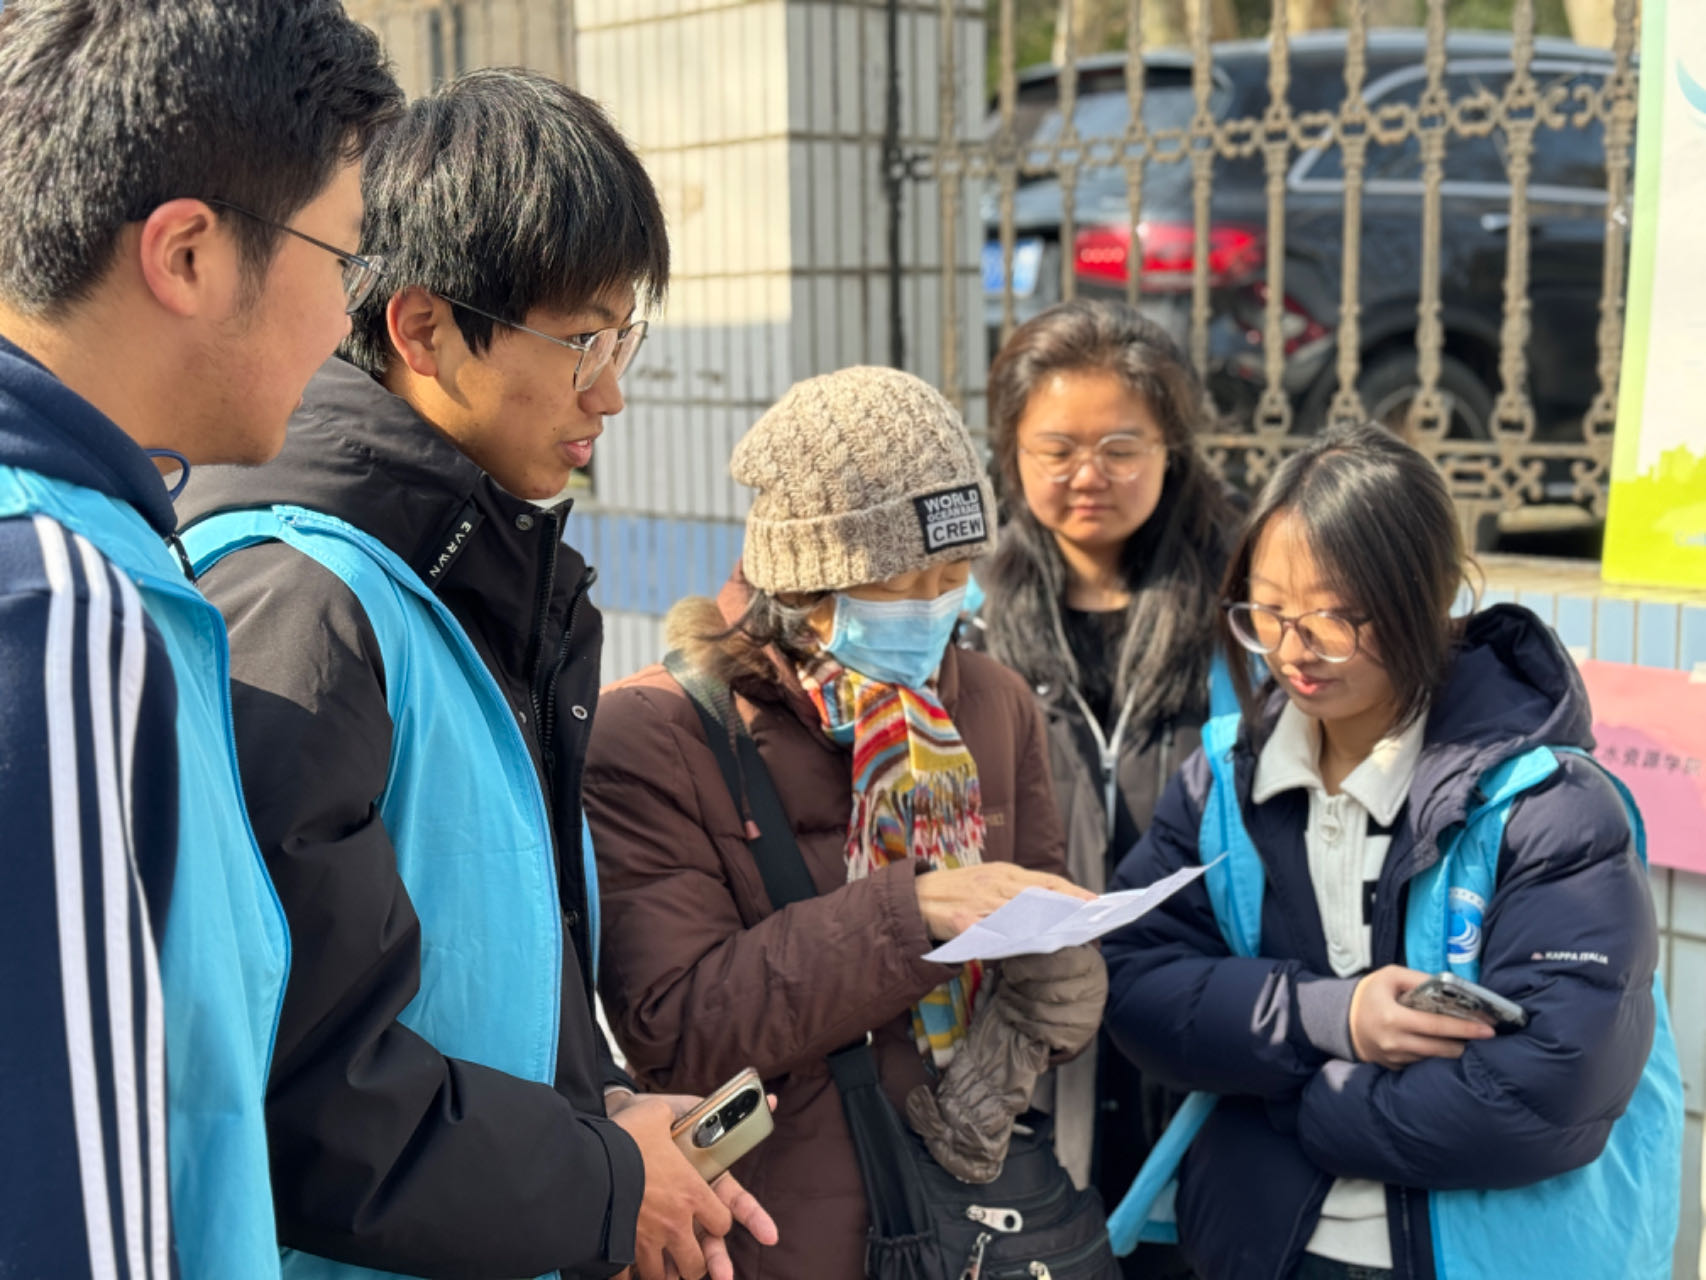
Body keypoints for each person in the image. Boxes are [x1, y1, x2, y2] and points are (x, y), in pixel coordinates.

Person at [177, 71, 772, 1280]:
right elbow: (303, 1090)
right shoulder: (302, 608)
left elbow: (479, 992)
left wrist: (604, 1119)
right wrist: (601, 1182)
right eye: (582, 340)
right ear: (421, 329)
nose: (610, 389)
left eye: (624, 336)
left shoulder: (470, 577)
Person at [0, 4, 398, 1276]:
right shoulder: (56, 606)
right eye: (341, 255)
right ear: (187, 254)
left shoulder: (87, 551)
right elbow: (73, 1200)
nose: (345, 318)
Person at [1102, 423, 1682, 1280]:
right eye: (1269, 613)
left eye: (1335, 617)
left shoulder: (1547, 807)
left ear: (1433, 594)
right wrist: (1326, 1016)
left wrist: (1303, 1102)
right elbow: (1132, 979)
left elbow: (1553, 1094)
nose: (1294, 650)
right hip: (1268, 1251)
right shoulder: (1221, 780)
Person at [583, 365, 1096, 1278]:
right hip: (775, 1236)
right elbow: (676, 1028)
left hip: (968, 1217)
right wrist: (914, 911)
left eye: (955, 575)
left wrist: (1050, 995)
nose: (938, 607)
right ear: (808, 583)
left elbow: (1036, 918)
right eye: (903, 582)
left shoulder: (993, 703)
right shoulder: (657, 733)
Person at [971, 300, 1232, 1270]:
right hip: (1032, 1056)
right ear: (1012, 453)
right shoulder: (966, 621)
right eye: (1058, 449)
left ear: (1171, 449)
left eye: (1121, 447)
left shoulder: (1238, 615)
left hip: (1199, 1044)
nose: (1089, 475)